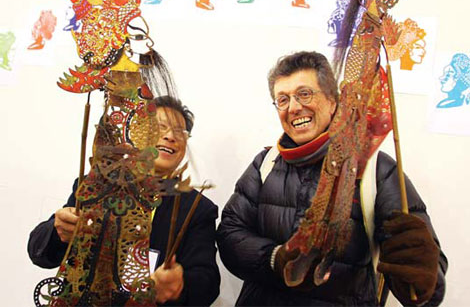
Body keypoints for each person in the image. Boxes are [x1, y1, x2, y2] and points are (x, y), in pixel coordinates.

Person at [216, 51, 447, 306]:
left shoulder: (376, 170)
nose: (293, 107)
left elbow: (426, 276)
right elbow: (229, 233)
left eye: (304, 94)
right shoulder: (266, 163)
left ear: (333, 100)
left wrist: (422, 279)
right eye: (282, 99)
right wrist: (274, 259)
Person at [28, 96, 220, 306]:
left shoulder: (198, 209)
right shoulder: (99, 183)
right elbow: (39, 252)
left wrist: (179, 285)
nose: (170, 137)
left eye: (180, 132)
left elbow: (207, 282)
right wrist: (58, 233)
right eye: (160, 127)